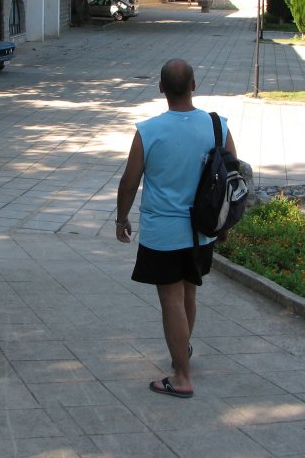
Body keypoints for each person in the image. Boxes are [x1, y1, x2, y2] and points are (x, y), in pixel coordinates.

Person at [116, 59, 237, 399]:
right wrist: (225, 224)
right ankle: (182, 351)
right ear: (194, 85)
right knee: (188, 294)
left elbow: (129, 182)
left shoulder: (149, 131)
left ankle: (182, 376)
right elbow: (232, 179)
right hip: (202, 230)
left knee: (171, 299)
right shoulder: (218, 126)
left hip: (163, 232)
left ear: (161, 89)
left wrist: (121, 218)